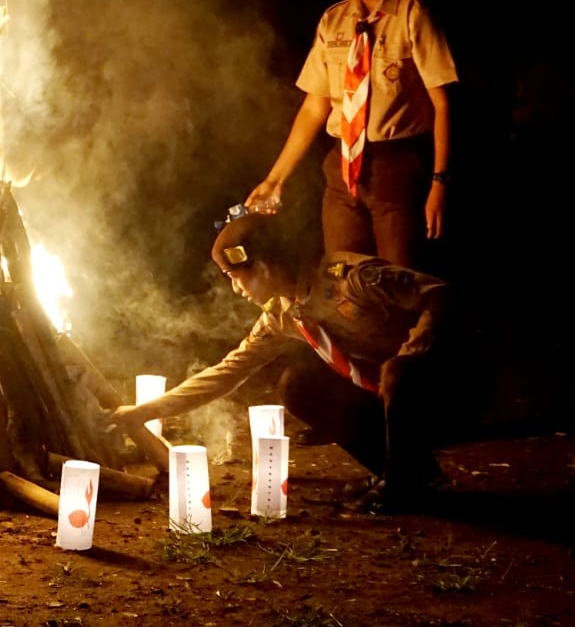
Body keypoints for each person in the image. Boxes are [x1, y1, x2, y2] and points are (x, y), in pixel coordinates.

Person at [112, 210, 485, 512]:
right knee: (298, 384)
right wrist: (143, 412)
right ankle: (403, 472)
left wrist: (413, 354)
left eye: (234, 276)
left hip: (449, 390)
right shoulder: (283, 314)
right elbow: (225, 374)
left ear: (264, 267)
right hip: (390, 399)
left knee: (397, 373)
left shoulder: (350, 280)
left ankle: (404, 485)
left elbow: (440, 295)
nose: (235, 288)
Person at [244, 0, 458, 272]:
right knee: (342, 279)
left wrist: (440, 182)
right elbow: (315, 107)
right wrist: (275, 179)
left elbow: (443, 103)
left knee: (399, 279)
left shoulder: (410, 14)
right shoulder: (333, 22)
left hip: (396, 168)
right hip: (342, 169)